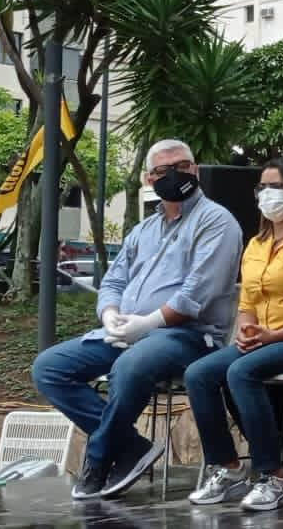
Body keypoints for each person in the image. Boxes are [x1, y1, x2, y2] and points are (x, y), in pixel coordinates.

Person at [32, 139, 243, 501]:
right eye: (163, 171)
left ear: (195, 169)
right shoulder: (143, 230)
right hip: (128, 334)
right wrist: (110, 315)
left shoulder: (216, 222)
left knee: (131, 365)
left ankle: (98, 460)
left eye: (181, 166)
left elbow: (195, 296)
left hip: (188, 336)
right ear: (149, 178)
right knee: (49, 367)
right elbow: (113, 280)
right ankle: (130, 449)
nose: (174, 175)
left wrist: (144, 325)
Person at [184, 158, 283, 510]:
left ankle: (273, 475)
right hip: (266, 340)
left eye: (277, 187)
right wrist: (245, 331)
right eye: (262, 187)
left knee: (241, 371)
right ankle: (228, 468)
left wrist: (275, 335)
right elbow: (248, 304)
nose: (267, 194)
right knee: (199, 374)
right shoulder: (256, 244)